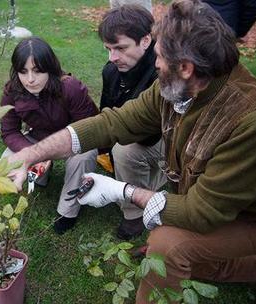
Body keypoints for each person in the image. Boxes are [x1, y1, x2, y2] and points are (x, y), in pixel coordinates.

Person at [7, 0, 256, 302]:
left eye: (158, 56)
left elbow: (201, 212)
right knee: (196, 261)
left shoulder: (254, 123)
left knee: (168, 245)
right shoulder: (178, 85)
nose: (154, 64)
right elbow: (114, 122)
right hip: (210, 201)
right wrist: (31, 154)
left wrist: (123, 191)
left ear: (185, 67)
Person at [0, 37, 99, 234]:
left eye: (37, 71)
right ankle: (40, 177)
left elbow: (89, 129)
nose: (30, 79)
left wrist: (49, 152)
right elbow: (9, 130)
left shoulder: (70, 88)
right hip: (37, 137)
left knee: (84, 157)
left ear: (50, 68)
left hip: (73, 139)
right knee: (5, 161)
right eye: (23, 71)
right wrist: (31, 153)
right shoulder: (13, 90)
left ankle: (67, 212)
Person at [98, 4, 165, 240]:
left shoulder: (161, 72)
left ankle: (134, 214)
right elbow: (106, 110)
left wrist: (114, 136)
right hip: (135, 133)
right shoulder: (111, 71)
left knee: (125, 152)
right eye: (108, 49)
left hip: (170, 137)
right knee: (114, 150)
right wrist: (102, 147)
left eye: (120, 48)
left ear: (146, 41)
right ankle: (142, 188)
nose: (112, 57)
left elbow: (150, 135)